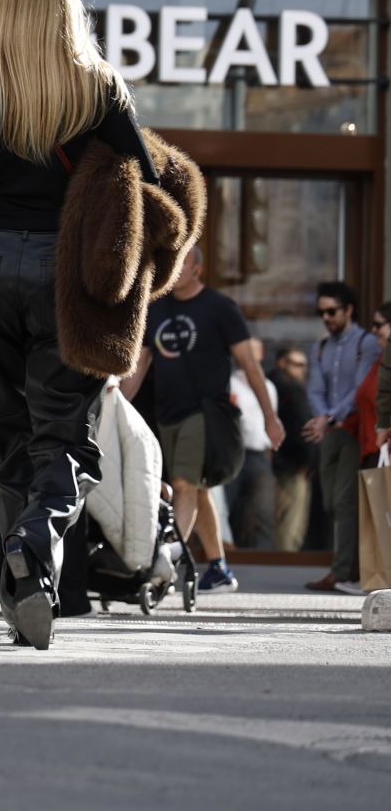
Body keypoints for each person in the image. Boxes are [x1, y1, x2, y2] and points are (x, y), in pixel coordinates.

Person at [0, 0, 165, 650]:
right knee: (66, 437)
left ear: (0, 4)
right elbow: (144, 183)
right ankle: (38, 544)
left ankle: (23, 581)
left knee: (3, 438)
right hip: (70, 276)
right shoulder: (99, 89)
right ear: (69, 4)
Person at [121, 248, 283, 596]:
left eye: (182, 265)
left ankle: (164, 566)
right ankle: (219, 569)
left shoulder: (219, 308)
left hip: (206, 414)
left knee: (182, 484)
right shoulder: (157, 308)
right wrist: (113, 406)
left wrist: (270, 418)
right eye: (171, 265)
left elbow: (250, 367)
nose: (175, 271)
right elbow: (140, 366)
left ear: (198, 268)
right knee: (197, 489)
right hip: (167, 415)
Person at [302, 281, 378, 593]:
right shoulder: (320, 347)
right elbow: (315, 388)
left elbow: (358, 390)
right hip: (331, 430)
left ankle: (343, 571)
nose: (326, 318)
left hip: (355, 431)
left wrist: (329, 417)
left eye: (332, 311)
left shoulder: (367, 343)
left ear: (348, 310)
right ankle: (351, 566)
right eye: (321, 312)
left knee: (345, 502)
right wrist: (323, 417)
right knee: (332, 501)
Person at [222, 337, 281, 550]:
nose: (248, 355)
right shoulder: (229, 383)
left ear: (262, 354)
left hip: (260, 454)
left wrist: (270, 453)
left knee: (262, 510)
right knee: (228, 507)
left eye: (253, 350)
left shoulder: (269, 387)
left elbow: (272, 420)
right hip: (235, 453)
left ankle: (264, 556)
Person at [270, 346, 316, 551]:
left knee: (285, 516)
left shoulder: (273, 385)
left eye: (304, 366)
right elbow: (301, 427)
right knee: (291, 520)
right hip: (292, 463)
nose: (302, 370)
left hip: (282, 461)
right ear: (282, 363)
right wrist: (307, 460)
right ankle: (287, 556)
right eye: (297, 364)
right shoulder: (291, 388)